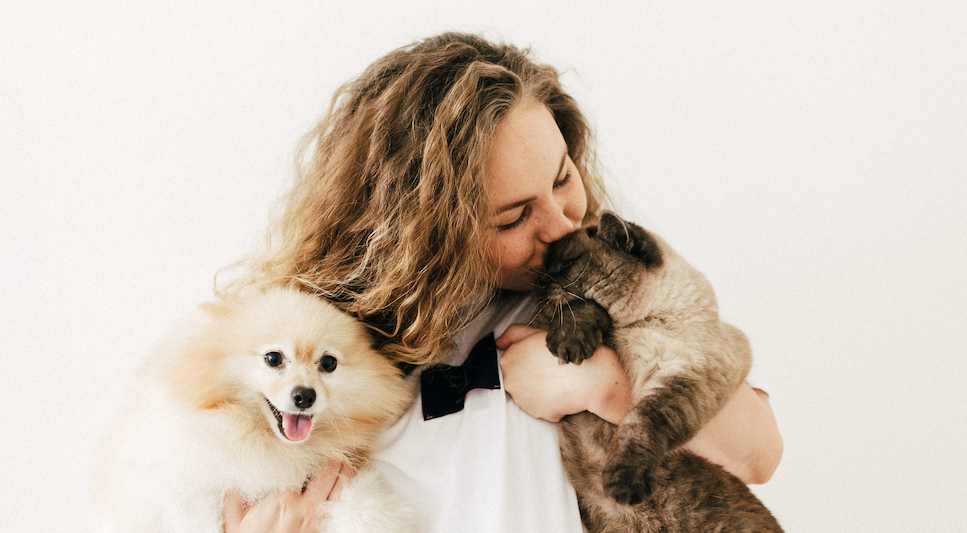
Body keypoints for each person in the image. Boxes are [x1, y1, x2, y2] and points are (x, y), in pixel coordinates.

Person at [221, 32, 782, 532]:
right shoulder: (324, 356)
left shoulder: (604, 289)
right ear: (424, 236)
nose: (562, 227)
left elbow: (759, 453)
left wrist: (601, 382)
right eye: (513, 218)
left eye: (563, 178)